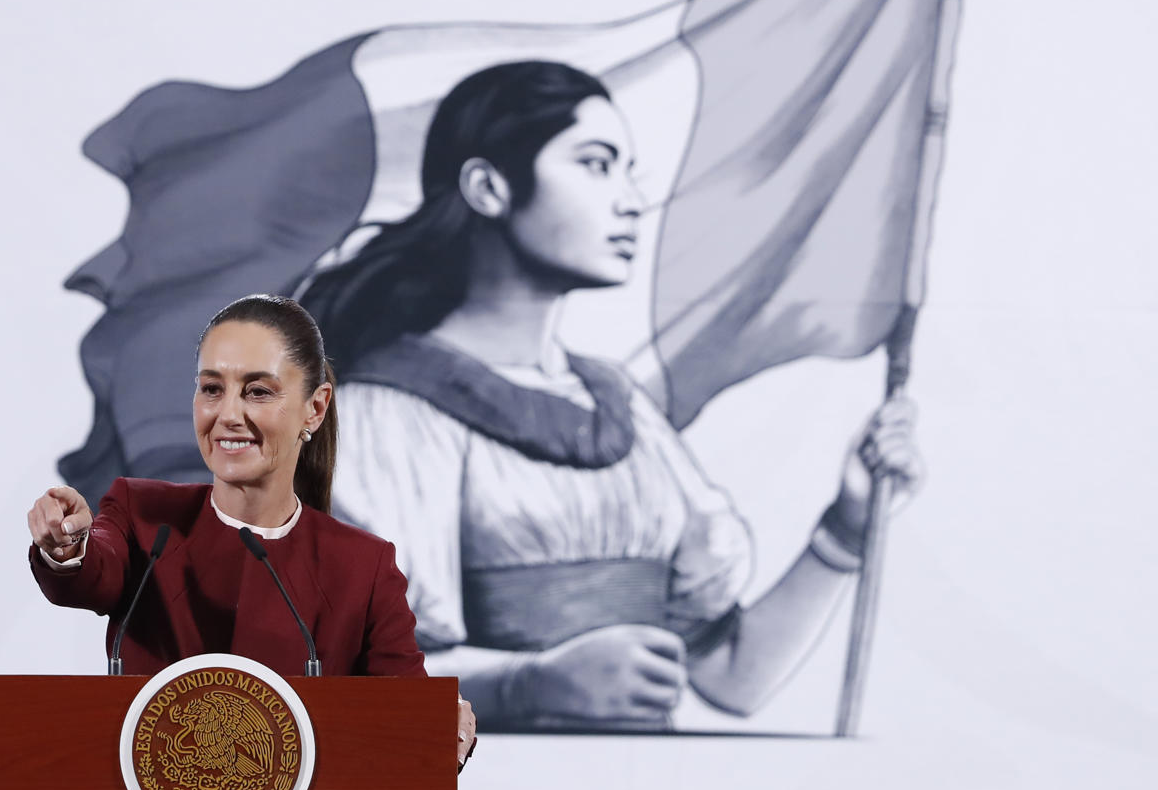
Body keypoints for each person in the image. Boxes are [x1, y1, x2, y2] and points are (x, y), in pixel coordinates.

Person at [301, 61, 924, 731]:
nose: (630, 200)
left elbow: (731, 678)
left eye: (629, 171)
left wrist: (847, 528)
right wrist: (527, 685)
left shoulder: (618, 407)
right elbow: (349, 693)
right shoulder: (385, 416)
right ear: (488, 187)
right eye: (596, 165)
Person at [28, 294, 478, 766]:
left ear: (315, 408)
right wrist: (69, 546)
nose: (228, 414)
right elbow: (92, 573)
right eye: (211, 389)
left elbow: (409, 718)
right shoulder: (144, 516)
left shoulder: (363, 567)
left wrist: (443, 728)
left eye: (258, 391)